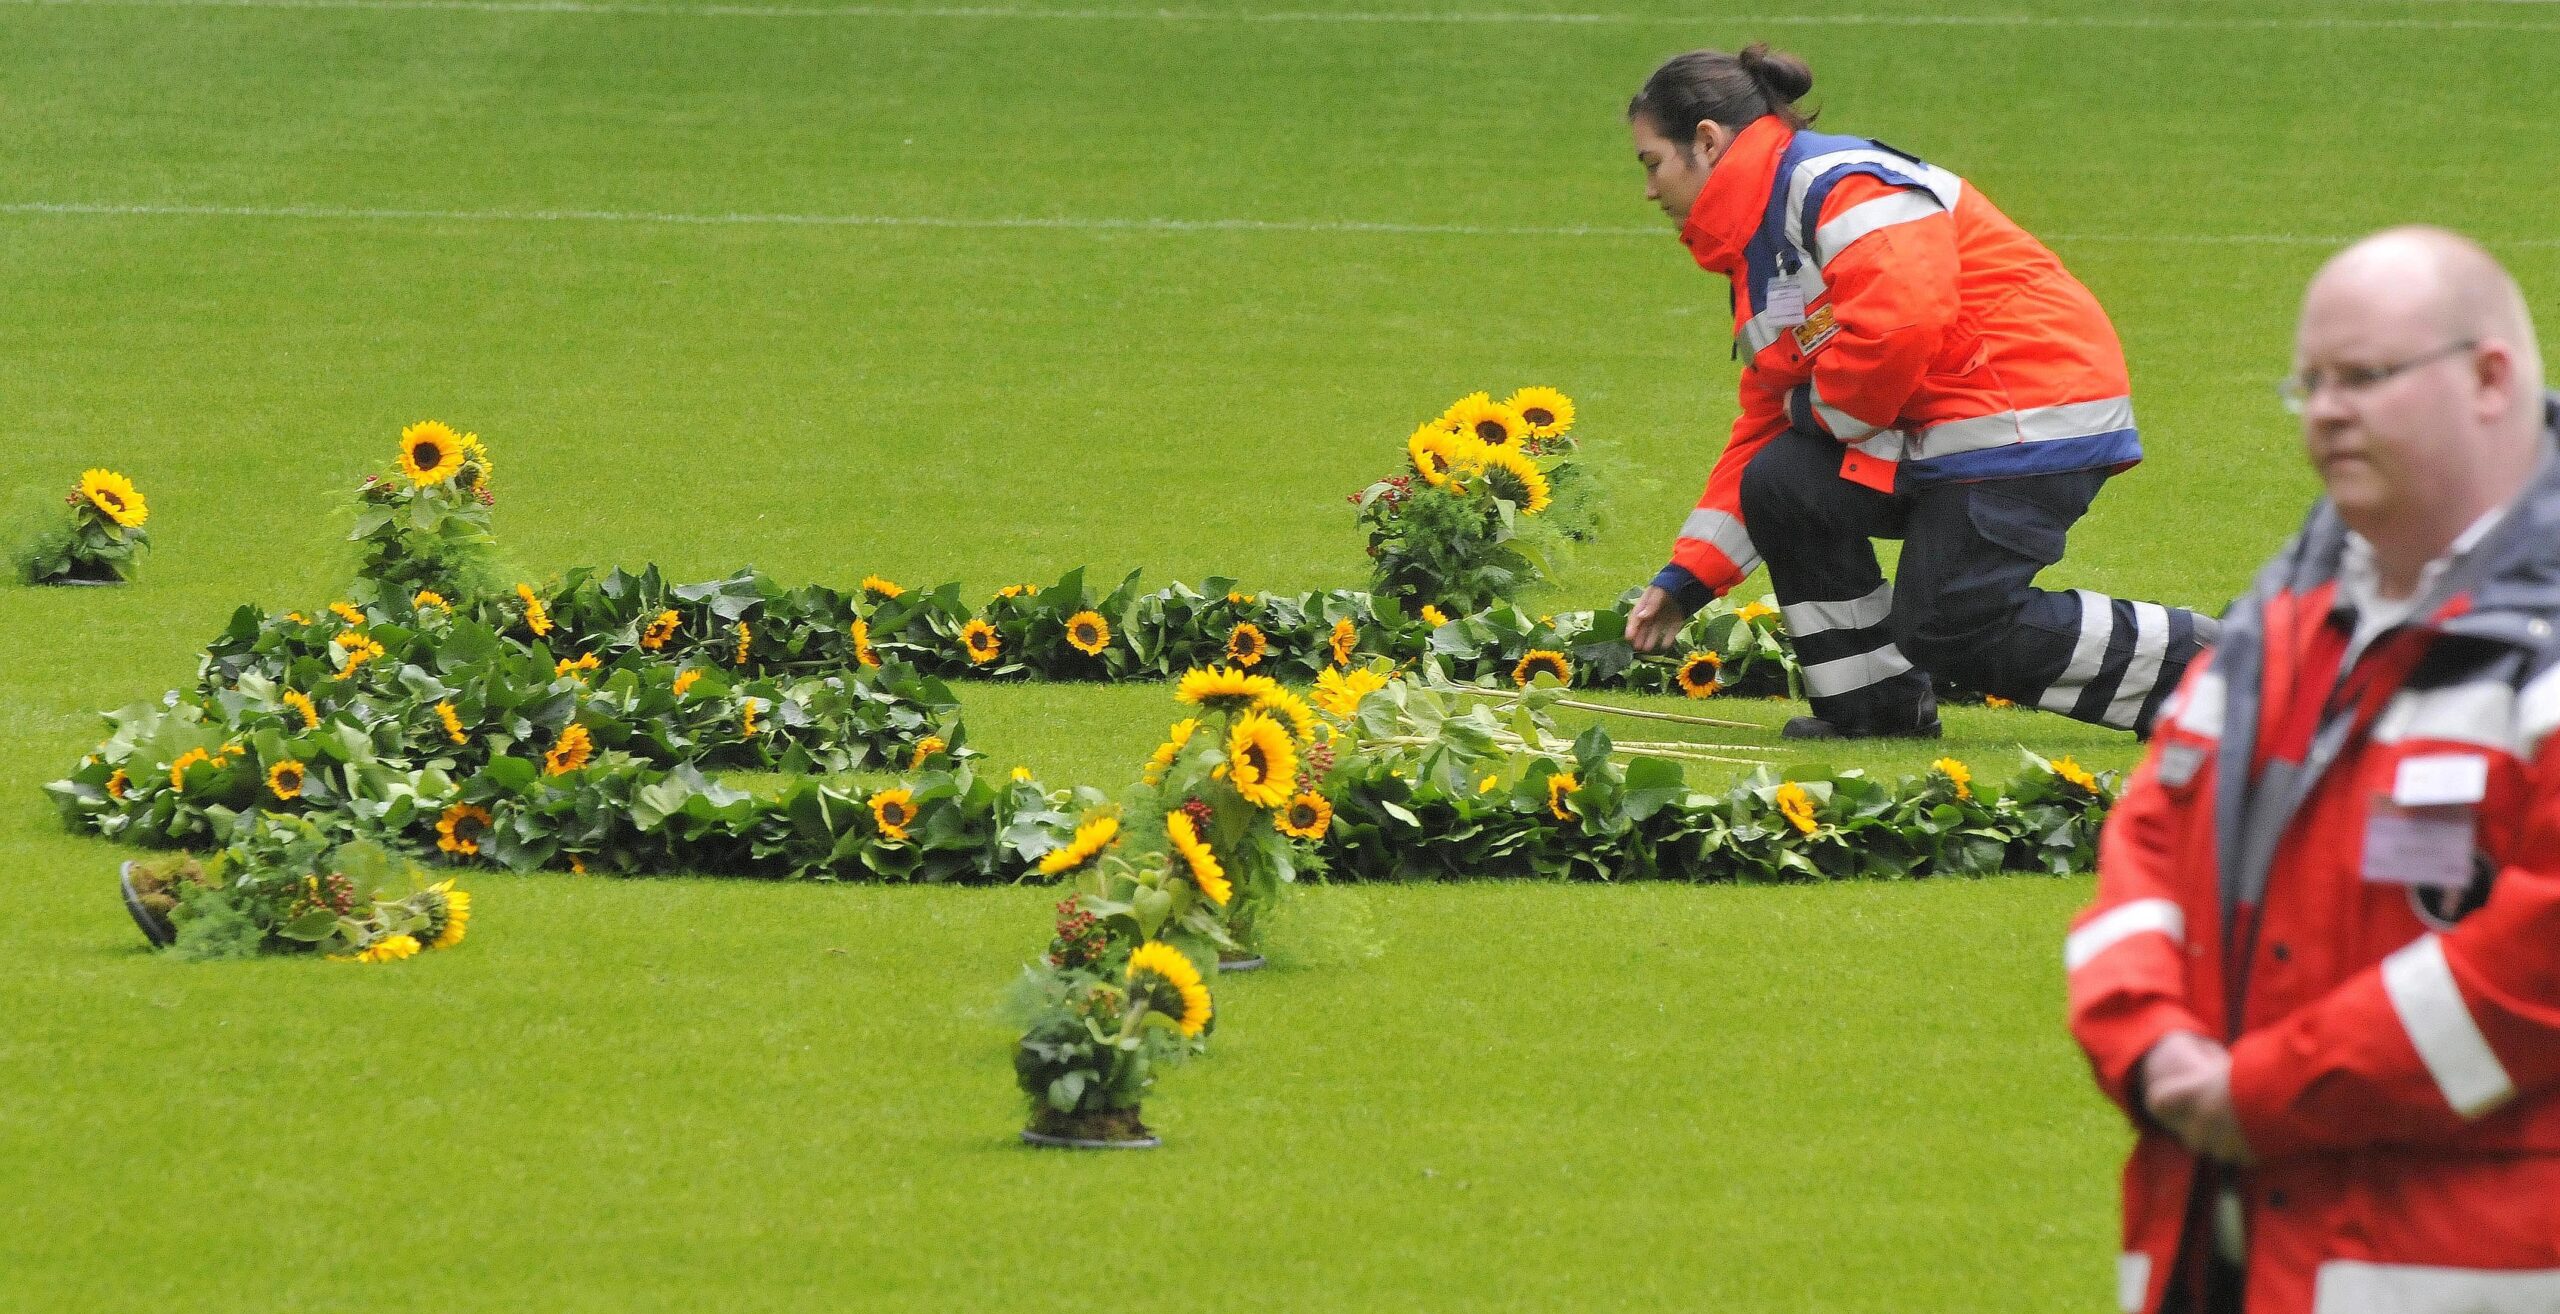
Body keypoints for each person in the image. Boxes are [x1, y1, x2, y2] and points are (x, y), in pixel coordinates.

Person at [2067, 227, 2560, 1314]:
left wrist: (2260, 1090)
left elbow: (2538, 973)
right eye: (2311, 383)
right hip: (2234, 1253)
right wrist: (2148, 1047)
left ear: (2488, 378)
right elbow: (2142, 858)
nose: (2328, 410)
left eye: (2366, 378)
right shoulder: (2275, 628)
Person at [1619, 43, 2215, 739]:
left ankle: (2221, 673)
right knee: (1780, 478)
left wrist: (1825, 412)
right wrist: (1686, 580)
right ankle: (1873, 714)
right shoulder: (1768, 244)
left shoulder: (1834, 185)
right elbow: (1771, 427)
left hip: (2028, 416)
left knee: (1948, 622)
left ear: (1708, 142)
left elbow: (1902, 322)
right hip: (1969, 425)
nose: (1650, 191)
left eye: (1652, 163)